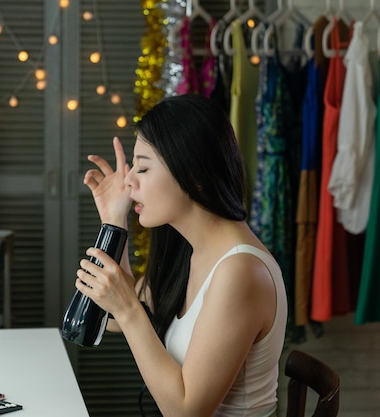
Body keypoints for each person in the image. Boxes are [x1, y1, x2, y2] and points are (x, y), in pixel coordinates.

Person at [76, 94, 287, 417]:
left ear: (194, 176)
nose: (129, 180)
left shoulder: (241, 271)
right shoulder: (195, 251)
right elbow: (121, 311)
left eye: (143, 168)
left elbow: (187, 412)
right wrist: (113, 222)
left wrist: (130, 310)